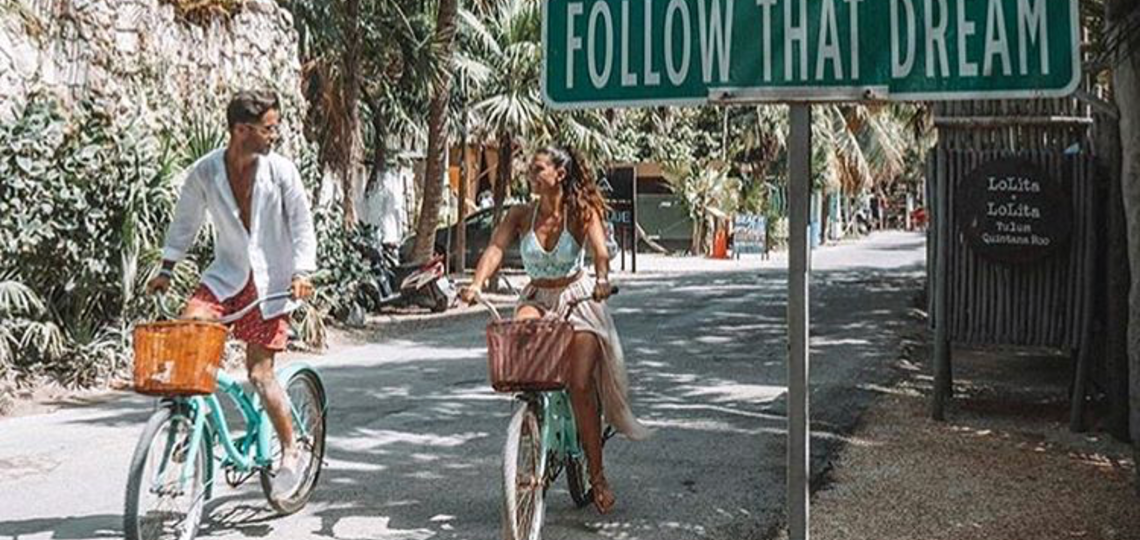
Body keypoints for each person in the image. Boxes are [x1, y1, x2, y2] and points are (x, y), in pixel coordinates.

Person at [459, 146, 652, 514]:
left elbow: (600, 252)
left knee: (580, 385)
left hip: (579, 298)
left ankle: (597, 477)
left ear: (559, 174)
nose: (531, 174)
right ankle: (532, 425)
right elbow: (495, 249)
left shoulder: (580, 211)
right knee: (523, 354)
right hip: (538, 296)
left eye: (538, 168)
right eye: (530, 169)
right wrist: (477, 284)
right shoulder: (520, 214)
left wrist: (602, 278)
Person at [146, 89, 317, 494]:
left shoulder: (282, 172)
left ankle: (291, 449)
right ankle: (186, 423)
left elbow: (302, 225)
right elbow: (184, 223)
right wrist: (167, 268)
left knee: (259, 374)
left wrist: (302, 271)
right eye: (268, 128)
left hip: (271, 284)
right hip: (226, 277)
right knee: (189, 334)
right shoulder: (205, 172)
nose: (274, 135)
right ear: (242, 130)